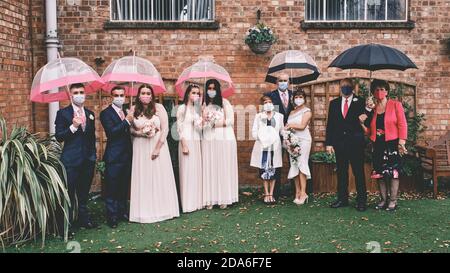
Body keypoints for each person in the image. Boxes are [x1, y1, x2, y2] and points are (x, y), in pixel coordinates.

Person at [129, 84, 180, 223]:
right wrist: (140, 132)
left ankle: (163, 209)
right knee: (143, 176)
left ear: (152, 95)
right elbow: (130, 130)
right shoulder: (133, 109)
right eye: (143, 93)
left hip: (158, 146)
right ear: (138, 95)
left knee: (159, 175)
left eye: (148, 93)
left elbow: (165, 129)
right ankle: (143, 211)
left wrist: (158, 148)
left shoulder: (159, 108)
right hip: (140, 146)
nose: (145, 95)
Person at [359, 79, 407, 211]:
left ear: (387, 91)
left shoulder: (395, 105)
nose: (379, 92)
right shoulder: (373, 110)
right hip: (378, 145)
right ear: (373, 92)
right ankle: (383, 199)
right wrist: (362, 123)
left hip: (392, 144)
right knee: (379, 174)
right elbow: (369, 132)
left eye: (382, 89)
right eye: (376, 89)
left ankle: (393, 201)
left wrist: (402, 142)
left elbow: (402, 124)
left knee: (393, 174)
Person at [55, 83, 97, 229]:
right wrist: (73, 127)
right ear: (71, 95)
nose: (80, 95)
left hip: (88, 159)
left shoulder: (90, 113)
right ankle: (65, 225)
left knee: (84, 192)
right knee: (69, 193)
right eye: (76, 92)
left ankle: (83, 219)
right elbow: (59, 137)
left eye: (81, 92)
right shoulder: (63, 114)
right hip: (71, 161)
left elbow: (92, 137)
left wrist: (93, 156)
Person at [325, 78, 368, 212]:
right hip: (340, 143)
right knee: (341, 172)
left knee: (358, 172)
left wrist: (367, 114)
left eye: (348, 86)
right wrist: (329, 143)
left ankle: (361, 201)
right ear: (339, 87)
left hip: (356, 143)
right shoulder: (334, 103)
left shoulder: (361, 102)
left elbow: (368, 121)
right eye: (343, 86)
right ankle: (342, 199)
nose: (345, 88)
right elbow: (330, 124)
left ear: (353, 88)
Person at [202, 79, 239, 210]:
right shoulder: (203, 105)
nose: (211, 91)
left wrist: (214, 123)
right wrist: (205, 121)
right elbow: (200, 122)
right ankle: (210, 198)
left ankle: (224, 197)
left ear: (217, 90)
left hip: (224, 136)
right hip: (209, 138)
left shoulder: (224, 103)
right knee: (210, 166)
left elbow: (230, 120)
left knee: (223, 165)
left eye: (214, 88)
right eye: (209, 88)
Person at [100, 85, 133, 228]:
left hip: (127, 154)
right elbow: (112, 132)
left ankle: (122, 212)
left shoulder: (127, 110)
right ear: (111, 97)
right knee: (112, 187)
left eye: (122, 95)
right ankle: (112, 216)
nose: (120, 98)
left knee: (123, 186)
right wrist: (126, 121)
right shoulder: (105, 113)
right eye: (116, 95)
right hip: (114, 156)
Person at [264, 73, 293, 199]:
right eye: (280, 80)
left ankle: (295, 189)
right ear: (277, 82)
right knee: (276, 161)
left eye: (285, 80)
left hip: (292, 133)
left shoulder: (294, 95)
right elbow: (269, 116)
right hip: (276, 134)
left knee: (293, 161)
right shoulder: (271, 96)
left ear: (289, 82)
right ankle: (275, 191)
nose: (283, 82)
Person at [250, 95, 284, 204]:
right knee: (264, 169)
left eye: (269, 102)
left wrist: (288, 134)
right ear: (262, 105)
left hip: (275, 147)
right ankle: (266, 194)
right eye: (265, 102)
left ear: (273, 104)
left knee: (274, 169)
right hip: (263, 146)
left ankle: (272, 193)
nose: (268, 104)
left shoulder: (279, 116)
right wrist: (263, 138)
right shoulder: (259, 116)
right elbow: (254, 132)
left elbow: (282, 131)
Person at [177, 84, 203, 213]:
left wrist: (201, 122)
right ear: (188, 94)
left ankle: (197, 202)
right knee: (187, 171)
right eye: (193, 92)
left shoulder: (197, 109)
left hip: (196, 141)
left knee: (196, 170)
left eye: (198, 93)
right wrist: (184, 145)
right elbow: (179, 128)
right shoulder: (182, 108)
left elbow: (200, 129)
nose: (196, 95)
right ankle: (187, 204)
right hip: (186, 141)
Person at [284, 88, 312, 205]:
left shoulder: (307, 111)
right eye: (296, 97)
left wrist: (290, 125)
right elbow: (286, 127)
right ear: (293, 99)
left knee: (301, 164)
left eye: (301, 97)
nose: (298, 99)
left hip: (304, 140)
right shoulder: (291, 112)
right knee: (294, 165)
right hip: (292, 141)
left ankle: (304, 193)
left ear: (304, 99)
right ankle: (297, 191)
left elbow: (302, 126)